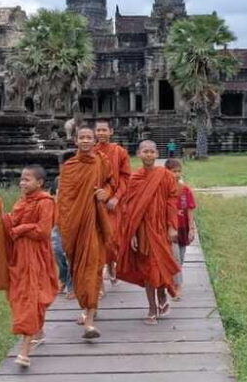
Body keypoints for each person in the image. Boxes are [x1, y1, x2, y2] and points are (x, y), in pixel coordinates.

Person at [57, 126, 114, 339]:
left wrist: (105, 193)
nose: (86, 141)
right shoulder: (69, 167)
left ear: (94, 140)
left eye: (89, 137)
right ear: (75, 141)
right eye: (82, 137)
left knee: (93, 268)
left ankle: (89, 321)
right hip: (74, 225)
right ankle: (88, 307)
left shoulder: (102, 161)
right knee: (79, 270)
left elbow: (111, 183)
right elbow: (64, 199)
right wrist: (66, 224)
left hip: (94, 223)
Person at [1, 165, 60, 369]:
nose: (22, 183)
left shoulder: (46, 202)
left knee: (31, 297)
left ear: (40, 182)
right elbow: (11, 225)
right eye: (21, 179)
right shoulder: (21, 201)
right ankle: (38, 332)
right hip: (19, 256)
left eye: (27, 179)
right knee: (24, 295)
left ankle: (25, 351)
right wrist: (2, 217)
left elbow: (43, 231)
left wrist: (21, 228)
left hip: (37, 256)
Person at [117, 140, 180, 325]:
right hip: (143, 230)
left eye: (152, 151)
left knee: (160, 266)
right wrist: (132, 234)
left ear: (157, 154)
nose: (149, 154)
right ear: (138, 154)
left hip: (161, 228)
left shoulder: (166, 176)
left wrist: (172, 226)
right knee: (147, 269)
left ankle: (162, 296)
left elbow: (172, 202)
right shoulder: (134, 179)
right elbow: (129, 209)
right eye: (145, 151)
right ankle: (152, 308)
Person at [93, 120, 131, 285]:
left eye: (104, 130)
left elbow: (125, 177)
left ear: (111, 132)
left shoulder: (119, 152)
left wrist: (116, 197)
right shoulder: (91, 151)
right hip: (95, 200)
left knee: (112, 237)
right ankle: (99, 278)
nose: (101, 133)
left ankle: (110, 264)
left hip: (114, 203)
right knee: (97, 239)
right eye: (98, 130)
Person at [165, 158, 197, 300]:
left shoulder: (185, 190)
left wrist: (191, 229)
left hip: (183, 227)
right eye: (173, 171)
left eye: (179, 171)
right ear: (166, 172)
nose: (176, 174)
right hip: (170, 228)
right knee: (176, 257)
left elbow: (190, 209)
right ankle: (178, 286)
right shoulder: (163, 190)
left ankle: (174, 279)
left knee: (181, 258)